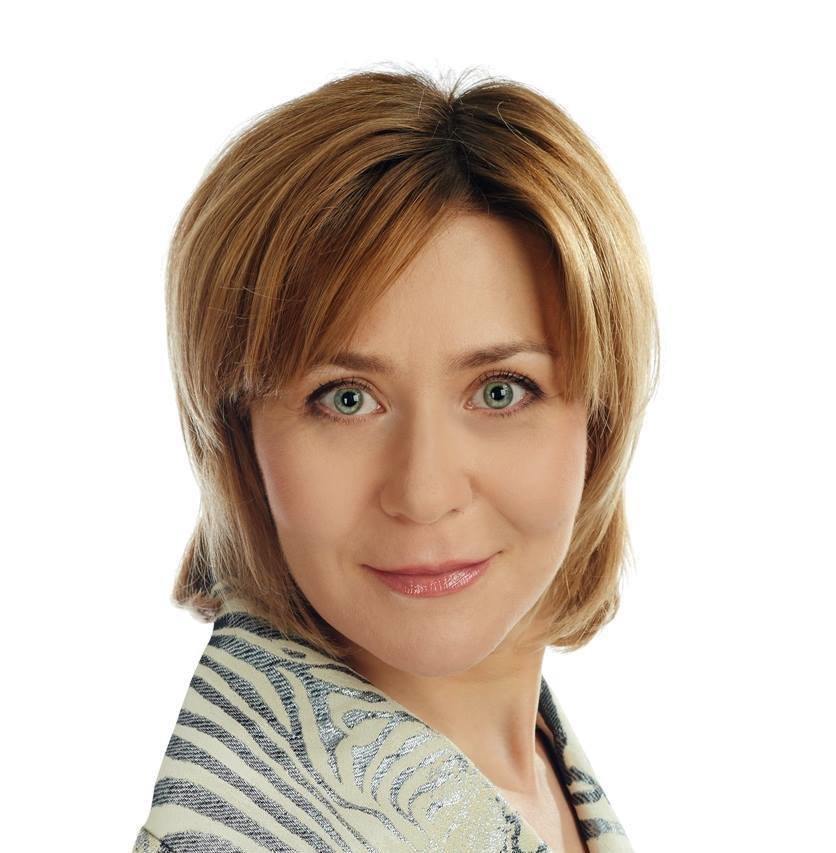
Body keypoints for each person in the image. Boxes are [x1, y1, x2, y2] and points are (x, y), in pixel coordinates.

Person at [132, 65, 658, 853]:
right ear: (240, 436)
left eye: (500, 391)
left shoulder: (538, 771)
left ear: (600, 416)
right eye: (345, 398)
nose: (424, 491)